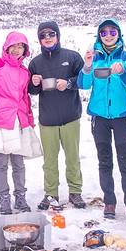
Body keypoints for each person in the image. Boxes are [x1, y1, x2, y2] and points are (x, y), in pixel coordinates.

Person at [0, 32, 43, 214]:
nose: (17, 50)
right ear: (7, 47)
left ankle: (20, 197)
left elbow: (25, 98)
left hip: (19, 121)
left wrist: (29, 120)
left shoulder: (24, 71)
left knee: (19, 164)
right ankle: (4, 198)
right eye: (14, 46)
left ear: (25, 50)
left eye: (21, 47)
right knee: (1, 164)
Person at [78, 18, 126, 221]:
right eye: (104, 32)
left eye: (113, 32)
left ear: (119, 34)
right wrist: (87, 66)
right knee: (104, 161)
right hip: (100, 117)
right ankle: (109, 202)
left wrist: (123, 72)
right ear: (99, 36)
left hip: (122, 116)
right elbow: (83, 84)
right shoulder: (94, 57)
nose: (109, 36)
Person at [29, 21, 86, 210]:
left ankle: (75, 192)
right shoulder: (36, 63)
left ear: (58, 35)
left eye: (51, 34)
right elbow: (32, 91)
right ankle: (51, 193)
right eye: (43, 35)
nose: (47, 38)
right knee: (49, 161)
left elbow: (84, 80)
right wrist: (34, 83)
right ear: (39, 40)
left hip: (70, 116)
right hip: (48, 120)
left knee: (72, 157)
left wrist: (68, 83)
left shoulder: (72, 56)